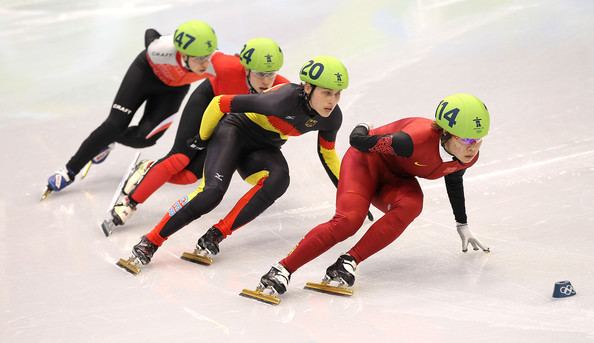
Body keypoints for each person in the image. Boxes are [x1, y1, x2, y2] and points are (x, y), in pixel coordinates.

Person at [117, 55, 350, 274]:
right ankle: (151, 241)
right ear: (307, 88)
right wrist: (203, 138)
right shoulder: (280, 100)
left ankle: (215, 235)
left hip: (262, 147)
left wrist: (348, 190)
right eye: (327, 93)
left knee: (279, 180)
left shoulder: (332, 117)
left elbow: (327, 154)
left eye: (338, 94)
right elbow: (220, 103)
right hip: (234, 132)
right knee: (211, 193)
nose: (332, 101)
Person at [248, 93, 491, 302]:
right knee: (348, 221)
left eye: (478, 140)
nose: (473, 147)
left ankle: (346, 263)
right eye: (467, 139)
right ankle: (281, 270)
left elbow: (454, 177)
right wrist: (364, 125)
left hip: (395, 177)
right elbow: (358, 141)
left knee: (411, 205)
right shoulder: (411, 141)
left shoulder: (466, 156)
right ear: (446, 133)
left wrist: (462, 223)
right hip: (364, 164)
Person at [102, 38, 289, 234]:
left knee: (189, 176)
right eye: (260, 74)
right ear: (246, 68)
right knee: (179, 158)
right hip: (206, 103)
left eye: (271, 74)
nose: (267, 81)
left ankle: (148, 168)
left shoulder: (280, 88)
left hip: (228, 121)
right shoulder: (225, 66)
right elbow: (197, 52)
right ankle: (128, 203)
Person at [42, 20, 218, 199]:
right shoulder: (160, 49)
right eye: (199, 58)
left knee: (145, 139)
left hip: (173, 91)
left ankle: (106, 142)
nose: (205, 63)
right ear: (183, 54)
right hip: (144, 75)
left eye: (208, 56)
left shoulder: (215, 64)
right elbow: (150, 31)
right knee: (114, 125)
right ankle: (69, 171)